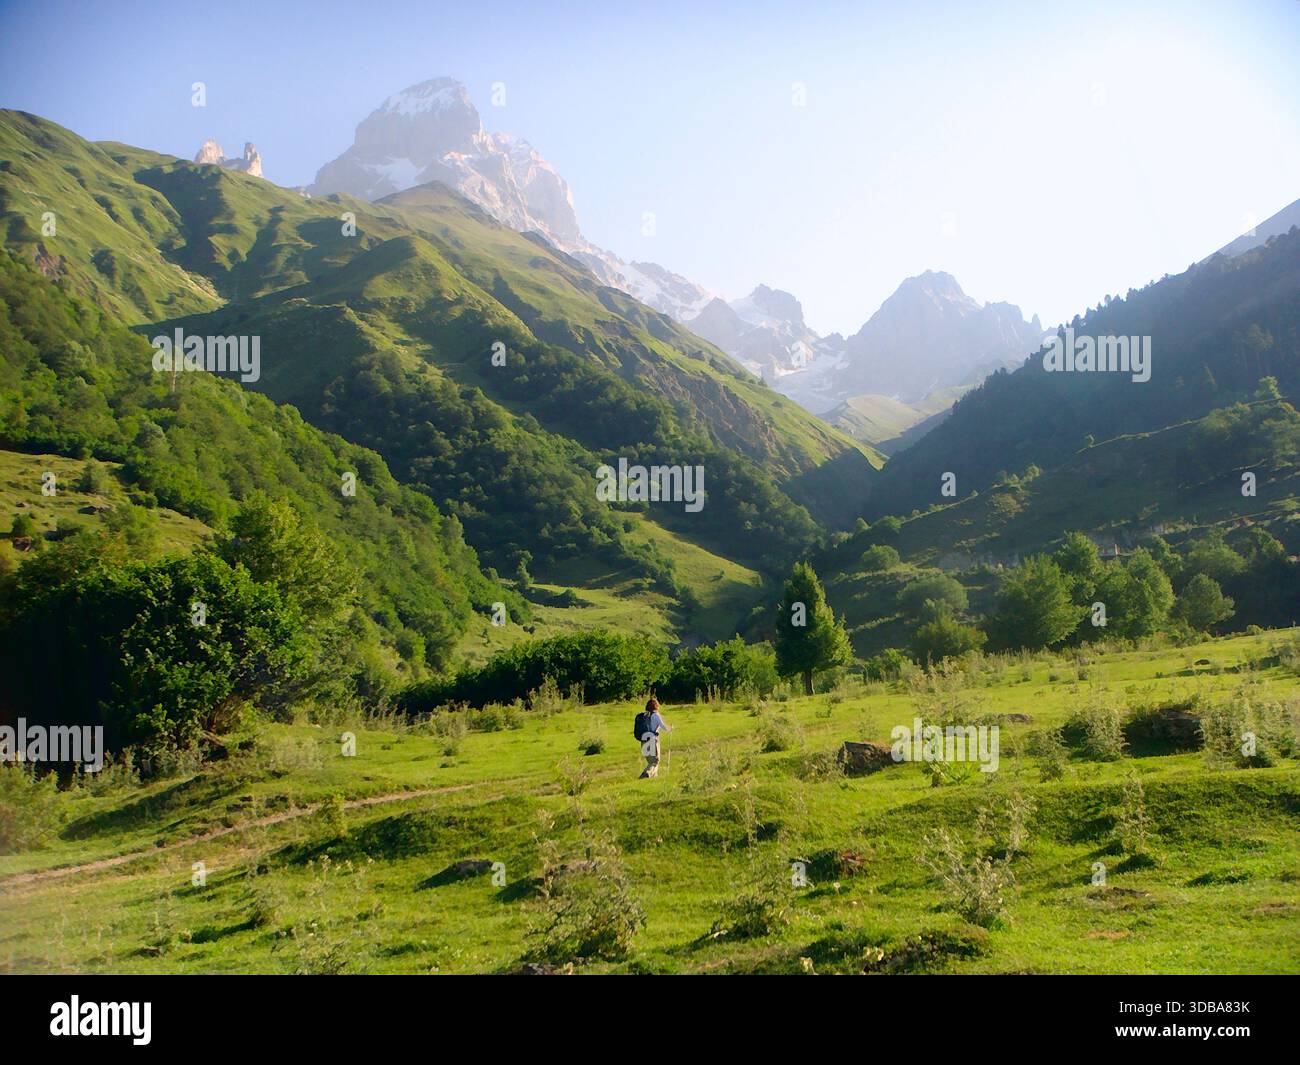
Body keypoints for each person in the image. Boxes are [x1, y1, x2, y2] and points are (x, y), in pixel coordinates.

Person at [637, 695, 672, 779]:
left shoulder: (645, 715)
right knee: (655, 761)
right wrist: (670, 729)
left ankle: (654, 777)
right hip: (652, 740)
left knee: (651, 761)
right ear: (656, 706)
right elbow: (663, 727)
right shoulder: (656, 715)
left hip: (643, 739)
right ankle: (646, 773)